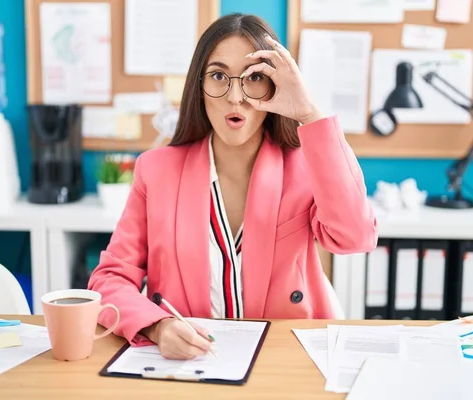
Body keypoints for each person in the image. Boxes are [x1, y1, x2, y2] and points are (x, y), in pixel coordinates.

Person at [88, 13, 377, 360]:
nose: (235, 96)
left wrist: (309, 113)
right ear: (199, 85)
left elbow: (356, 237)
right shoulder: (156, 170)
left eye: (254, 77)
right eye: (219, 76)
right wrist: (157, 325)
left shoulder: (304, 166)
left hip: (286, 359)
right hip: (191, 364)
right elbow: (109, 279)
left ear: (274, 87)